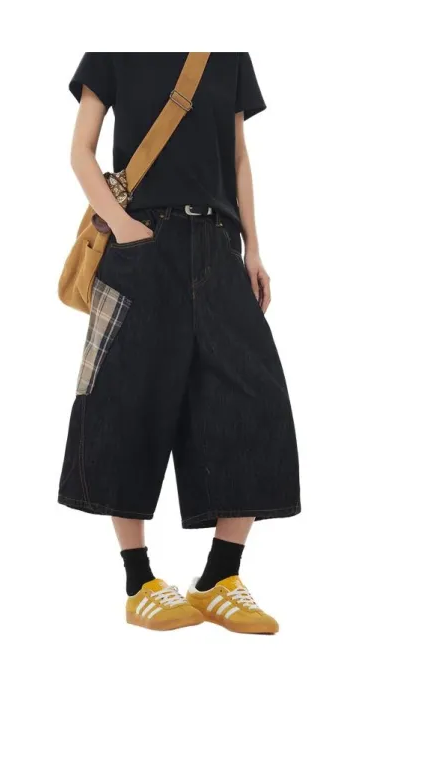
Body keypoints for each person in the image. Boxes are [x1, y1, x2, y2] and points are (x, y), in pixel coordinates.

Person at [59, 53, 300, 634]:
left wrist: (252, 247)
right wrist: (123, 226)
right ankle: (139, 581)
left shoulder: (227, 52)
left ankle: (220, 577)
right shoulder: (115, 46)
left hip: (219, 244)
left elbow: (238, 157)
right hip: (143, 243)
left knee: (255, 400)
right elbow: (81, 151)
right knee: (126, 402)